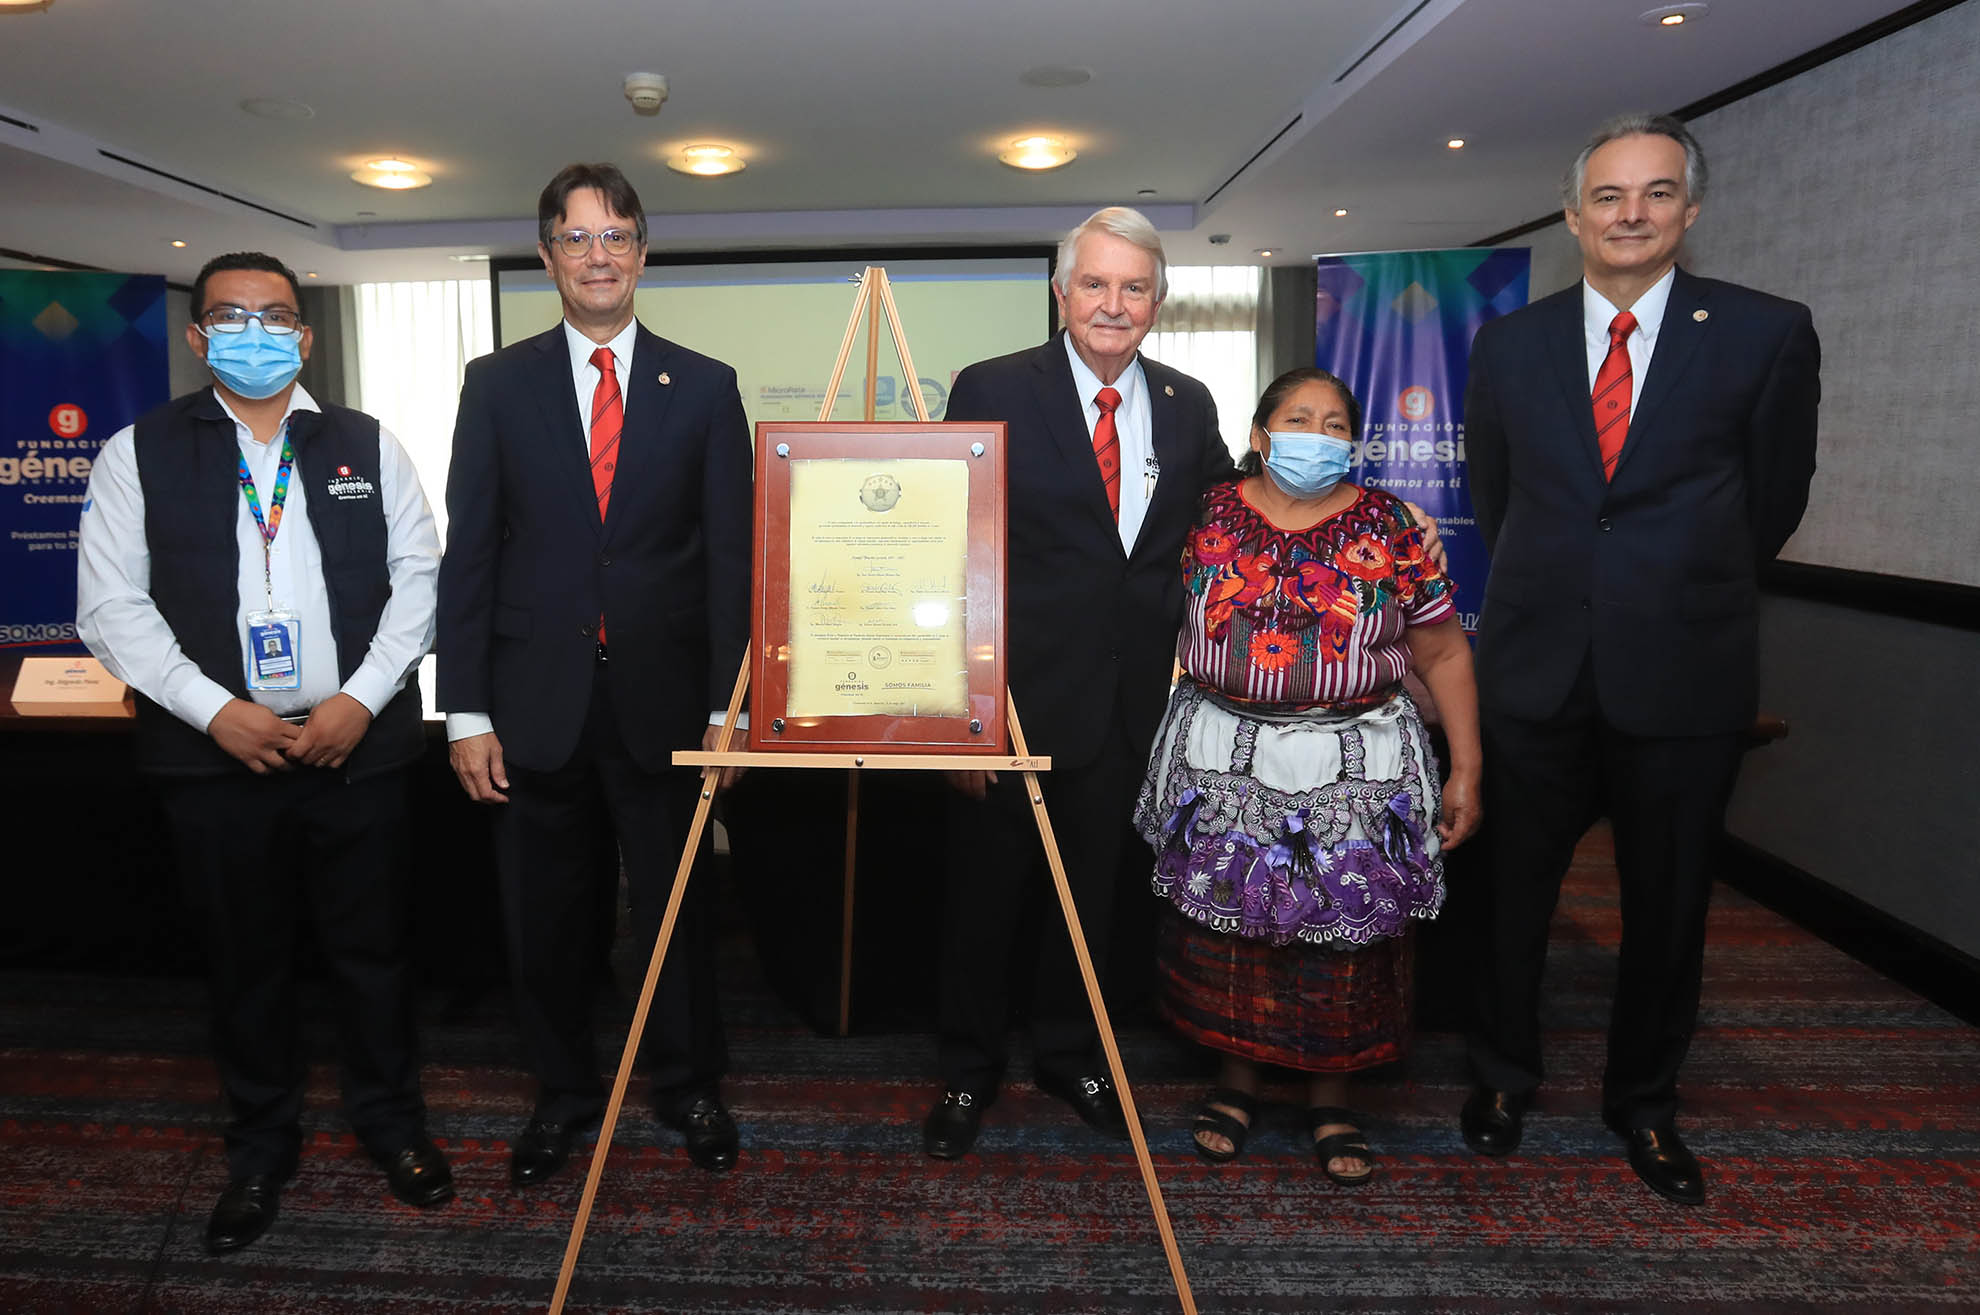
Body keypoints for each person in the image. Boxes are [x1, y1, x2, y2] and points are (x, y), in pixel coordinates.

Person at [1460, 114, 1820, 1205]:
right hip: (1535, 668)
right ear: (1574, 214)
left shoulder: (1765, 332)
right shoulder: (1511, 344)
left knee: (1669, 907)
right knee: (1510, 896)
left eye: (1656, 193)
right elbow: (1496, 498)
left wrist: (1667, 586)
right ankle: (1501, 1076)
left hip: (1686, 670)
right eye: (1608, 196)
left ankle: (1645, 1103)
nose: (1630, 214)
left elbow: (1774, 501)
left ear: (1690, 211)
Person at [76, 251, 449, 1252]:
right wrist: (214, 710)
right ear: (198, 337)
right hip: (216, 761)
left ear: (305, 335)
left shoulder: (367, 444)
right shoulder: (138, 451)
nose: (254, 332)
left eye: (274, 316)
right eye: (230, 317)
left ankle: (393, 1125)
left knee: (374, 955)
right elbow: (112, 606)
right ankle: (258, 1147)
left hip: (353, 751)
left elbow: (420, 581)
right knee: (246, 963)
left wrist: (361, 701)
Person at [436, 162, 753, 1182]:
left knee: (676, 911)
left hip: (667, 703)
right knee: (545, 917)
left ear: (643, 252)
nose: (598, 255)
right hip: (533, 705)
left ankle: (688, 1084)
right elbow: (471, 552)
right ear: (547, 257)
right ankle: (563, 1094)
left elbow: (730, 558)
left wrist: (728, 708)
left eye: (616, 236)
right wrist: (464, 710)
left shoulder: (705, 386)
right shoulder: (496, 384)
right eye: (577, 238)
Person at [921, 206, 1236, 1159]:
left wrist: (1357, 515)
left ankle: (1069, 1052)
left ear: (1159, 301)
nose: (1113, 303)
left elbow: (1231, 519)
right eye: (1094, 284)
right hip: (1009, 708)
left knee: (1089, 898)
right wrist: (961, 719)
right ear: (1061, 293)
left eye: (1133, 287)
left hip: (1127, 709)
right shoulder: (993, 387)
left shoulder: (1188, 403)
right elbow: (948, 555)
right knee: (984, 899)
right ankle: (968, 1069)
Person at [1134, 367, 1480, 1183]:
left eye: (1334, 425)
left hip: (1356, 762)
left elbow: (1442, 649)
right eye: (1298, 419)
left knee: (1350, 939)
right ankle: (1236, 1082)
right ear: (1260, 435)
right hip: (1227, 754)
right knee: (1231, 930)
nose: (1316, 437)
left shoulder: (1394, 524)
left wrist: (1468, 765)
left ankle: (1333, 1096)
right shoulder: (1206, 511)